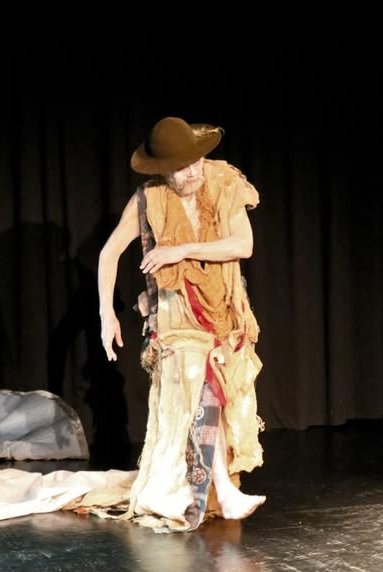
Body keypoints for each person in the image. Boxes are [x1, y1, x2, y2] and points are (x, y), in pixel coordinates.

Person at [97, 116, 266, 532]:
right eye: (180, 168)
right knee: (200, 384)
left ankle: (215, 489)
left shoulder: (224, 182)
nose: (191, 173)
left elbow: (242, 245)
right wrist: (106, 314)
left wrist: (179, 250)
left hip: (222, 306)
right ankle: (223, 492)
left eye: (195, 162)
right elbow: (109, 254)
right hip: (175, 312)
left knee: (217, 393)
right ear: (162, 170)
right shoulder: (149, 198)